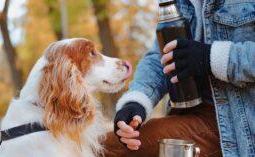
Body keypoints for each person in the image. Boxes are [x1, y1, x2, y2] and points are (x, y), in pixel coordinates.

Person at [104, 0, 255, 157]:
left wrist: (210, 57)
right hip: (186, 115)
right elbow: (161, 55)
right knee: (99, 145)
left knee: (101, 148)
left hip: (237, 125)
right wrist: (137, 101)